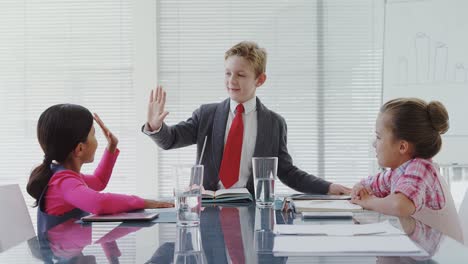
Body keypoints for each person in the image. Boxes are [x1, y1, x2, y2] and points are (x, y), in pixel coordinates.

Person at [142, 41, 350, 195]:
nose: (231, 81)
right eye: (227, 73)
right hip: (208, 208)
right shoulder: (207, 115)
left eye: (240, 75)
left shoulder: (274, 123)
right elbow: (171, 140)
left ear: (260, 80)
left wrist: (328, 187)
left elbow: (286, 171)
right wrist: (155, 126)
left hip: (251, 209)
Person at [27, 104, 173, 217]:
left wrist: (111, 146)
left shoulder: (62, 175)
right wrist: (144, 202)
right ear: (80, 149)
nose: (96, 140)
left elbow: (98, 181)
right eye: (93, 134)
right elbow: (100, 203)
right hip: (58, 255)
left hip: (67, 253)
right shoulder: (64, 182)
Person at [350, 98, 457, 218]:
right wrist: (359, 189)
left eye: (379, 137)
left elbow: (399, 205)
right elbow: (367, 184)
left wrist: (368, 201)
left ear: (402, 147)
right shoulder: (397, 172)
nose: (374, 144)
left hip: (439, 237)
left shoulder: (421, 168)